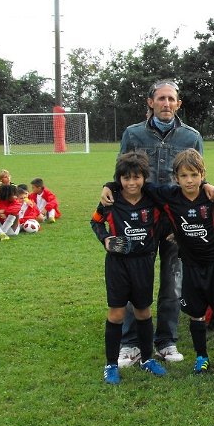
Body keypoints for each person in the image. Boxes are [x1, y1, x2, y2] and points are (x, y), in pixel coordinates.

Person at [116, 79, 203, 369]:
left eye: (171, 99)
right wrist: (109, 187)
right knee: (135, 281)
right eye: (161, 98)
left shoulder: (191, 137)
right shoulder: (133, 133)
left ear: (178, 104)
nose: (166, 103)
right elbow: (121, 171)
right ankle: (131, 343)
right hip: (140, 220)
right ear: (150, 102)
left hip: (175, 222)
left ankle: (166, 340)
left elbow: (198, 176)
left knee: (172, 281)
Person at [138, 149, 214, 375]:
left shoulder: (212, 197)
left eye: (194, 175)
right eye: (184, 176)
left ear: (202, 175)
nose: (189, 180)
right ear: (176, 178)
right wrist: (110, 186)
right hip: (190, 265)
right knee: (196, 312)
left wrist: (212, 186)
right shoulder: (169, 196)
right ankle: (201, 356)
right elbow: (140, 184)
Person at [91, 151, 167, 384]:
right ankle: (111, 364)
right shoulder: (111, 200)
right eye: (126, 178)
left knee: (143, 311)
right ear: (119, 179)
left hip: (143, 263)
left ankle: (147, 359)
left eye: (136, 177)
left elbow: (171, 211)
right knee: (117, 313)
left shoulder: (153, 199)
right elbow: (95, 221)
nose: (131, 183)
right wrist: (105, 238)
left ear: (144, 178)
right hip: (118, 264)